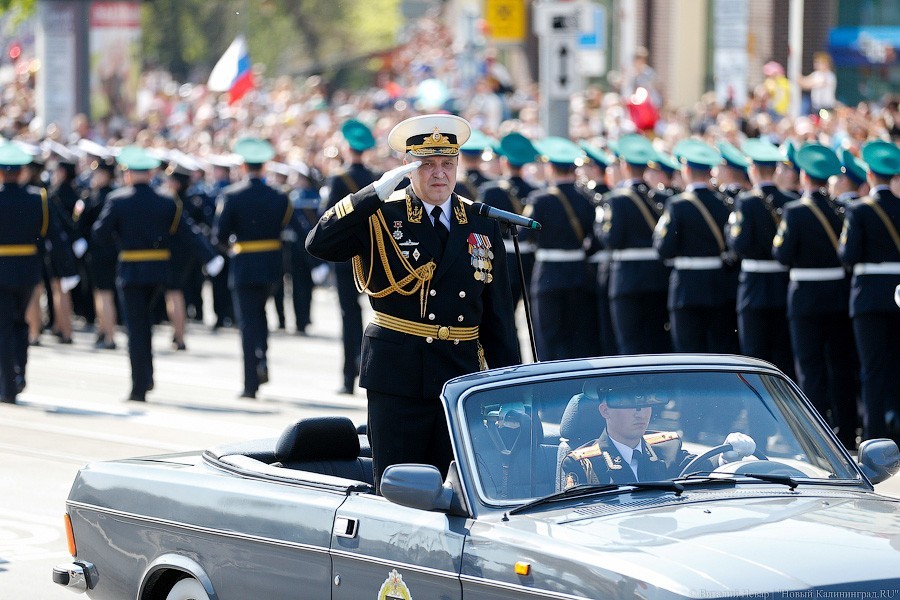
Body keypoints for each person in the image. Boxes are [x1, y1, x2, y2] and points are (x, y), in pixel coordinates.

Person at [306, 113, 520, 492]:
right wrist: (371, 193)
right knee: (398, 489)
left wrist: (509, 386)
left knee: (454, 492)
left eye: (447, 164)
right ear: (408, 167)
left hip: (458, 376)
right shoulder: (383, 214)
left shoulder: (479, 221)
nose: (439, 174)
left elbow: (497, 314)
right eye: (427, 165)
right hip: (399, 373)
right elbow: (319, 243)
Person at [93, 146, 221, 402]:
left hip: (130, 270)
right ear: (151, 174)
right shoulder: (166, 201)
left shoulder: (118, 200)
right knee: (146, 325)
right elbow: (187, 232)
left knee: (136, 328)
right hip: (158, 270)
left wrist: (121, 239)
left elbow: (100, 234)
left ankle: (139, 385)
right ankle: (147, 376)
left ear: (128, 174)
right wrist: (211, 257)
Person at [773, 143, 859, 447]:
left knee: (810, 368)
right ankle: (846, 430)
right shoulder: (841, 209)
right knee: (840, 365)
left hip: (806, 296)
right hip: (836, 294)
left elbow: (782, 253)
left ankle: (814, 439)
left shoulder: (795, 211)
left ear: (806, 177)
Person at [212, 138, 293, 399]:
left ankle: (250, 383)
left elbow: (220, 235)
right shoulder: (280, 196)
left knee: (248, 322)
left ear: (244, 165)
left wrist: (232, 247)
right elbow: (283, 225)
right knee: (261, 315)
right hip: (271, 263)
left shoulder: (232, 195)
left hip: (245, 263)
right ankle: (262, 357)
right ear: (264, 166)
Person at [559, 384, 755, 488]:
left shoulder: (667, 447)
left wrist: (726, 456)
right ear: (605, 411)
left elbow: (700, 467)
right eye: (628, 403)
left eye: (646, 403)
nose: (640, 412)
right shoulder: (584, 464)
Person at [838, 140, 900, 441]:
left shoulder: (859, 210)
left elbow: (848, 255)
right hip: (898, 293)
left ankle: (875, 433)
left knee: (872, 368)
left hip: (869, 296)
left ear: (871, 176)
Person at [653, 139, 739, 355]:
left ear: (687, 170)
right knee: (718, 351)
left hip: (687, 287)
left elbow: (664, 248)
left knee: (688, 353)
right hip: (718, 284)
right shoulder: (724, 202)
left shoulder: (678, 204)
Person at [726, 138, 795, 379]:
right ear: (776, 171)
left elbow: (739, 243)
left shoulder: (746, 201)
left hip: (754, 285)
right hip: (782, 283)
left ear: (753, 170)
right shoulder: (790, 200)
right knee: (782, 355)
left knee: (754, 355)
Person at [525, 137, 599, 361]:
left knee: (548, 339)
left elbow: (525, 235)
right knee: (578, 338)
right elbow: (594, 238)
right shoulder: (586, 199)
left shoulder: (540, 200)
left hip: (548, 274)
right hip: (579, 273)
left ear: (550, 167)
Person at [600, 134, 671, 355]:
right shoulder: (661, 198)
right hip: (657, 276)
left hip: (627, 278)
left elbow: (610, 239)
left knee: (630, 342)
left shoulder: (616, 198)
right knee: (656, 341)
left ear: (624, 165)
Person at [323, 119, 378, 394]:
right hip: (373, 256)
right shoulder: (376, 177)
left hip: (346, 257)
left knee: (348, 316)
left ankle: (348, 377)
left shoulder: (337, 178)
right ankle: (370, 372)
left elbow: (328, 217)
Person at [0, 144, 58, 403]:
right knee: (20, 322)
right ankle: (19, 373)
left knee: (3, 327)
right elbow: (51, 234)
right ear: (22, 171)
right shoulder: (38, 198)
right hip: (27, 270)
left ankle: (7, 384)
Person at [478, 132, 540, 314]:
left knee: (503, 313)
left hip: (501, 257)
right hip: (530, 258)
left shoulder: (491, 191)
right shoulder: (535, 191)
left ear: (504, 162)